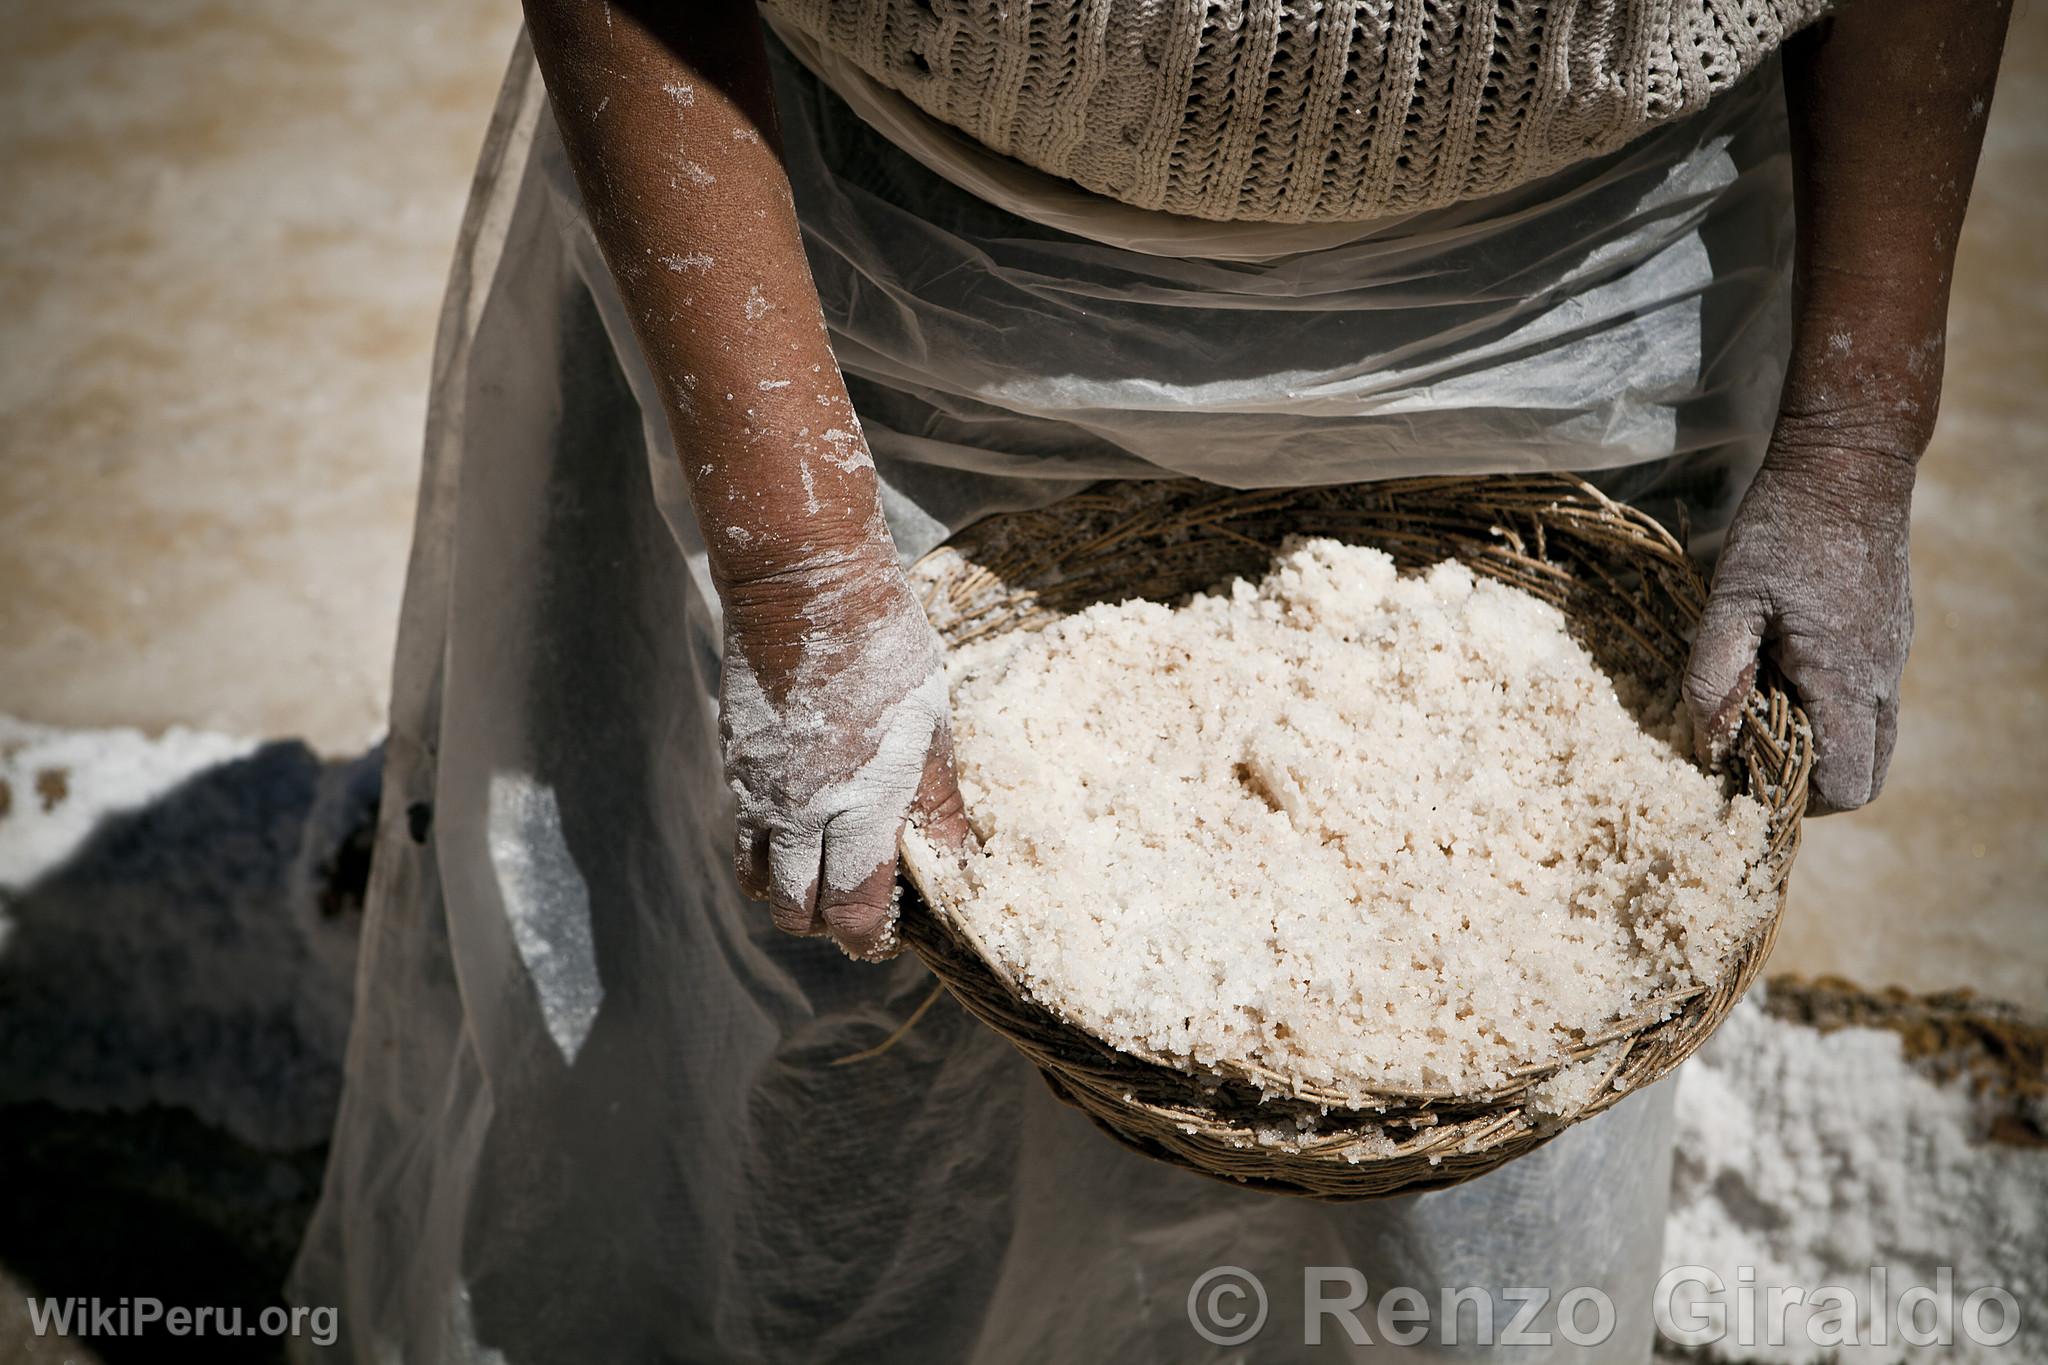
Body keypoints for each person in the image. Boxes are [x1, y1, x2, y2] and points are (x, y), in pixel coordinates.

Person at [291, 1, 2011, 1359]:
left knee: (1484, 1207)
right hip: (886, 284)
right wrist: (801, 564)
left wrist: (1858, 436)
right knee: (845, 1082)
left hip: (1574, 301)